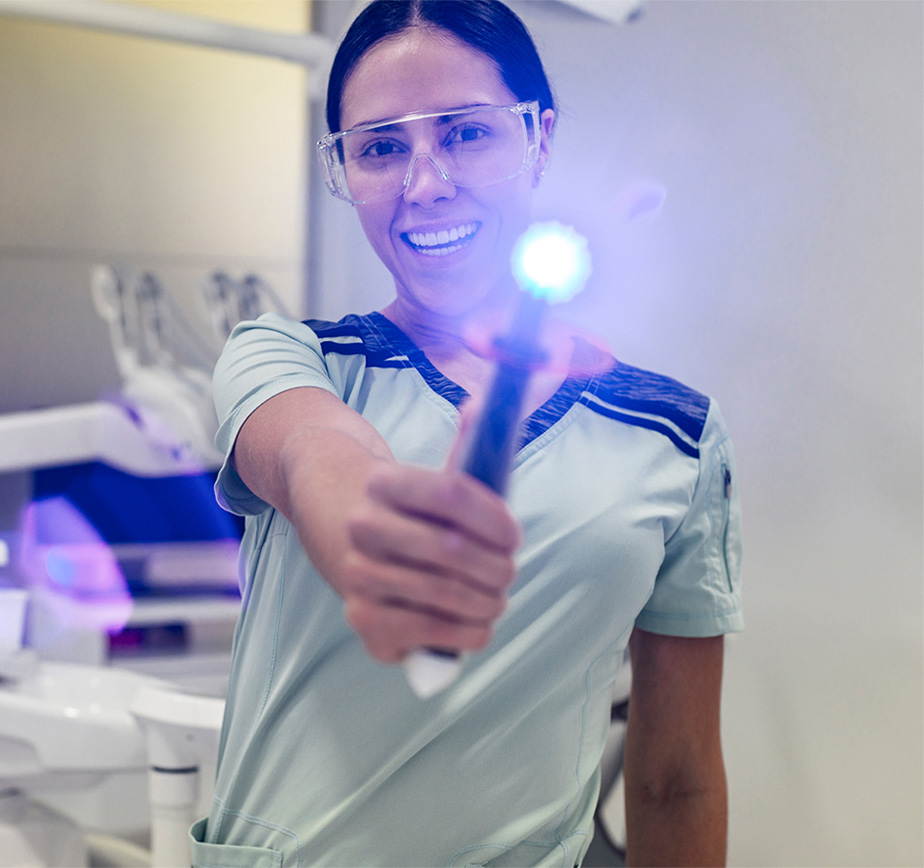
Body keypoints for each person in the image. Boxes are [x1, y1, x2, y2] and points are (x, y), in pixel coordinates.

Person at [192, 2, 743, 865]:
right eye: (380, 148)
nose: (426, 184)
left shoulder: (672, 436)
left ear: (539, 137)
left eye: (467, 133)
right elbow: (313, 455)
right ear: (344, 168)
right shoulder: (292, 357)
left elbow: (677, 780)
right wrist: (378, 534)